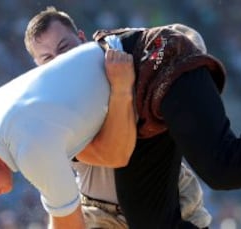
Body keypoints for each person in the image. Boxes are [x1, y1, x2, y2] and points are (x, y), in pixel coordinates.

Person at [0, 10, 241, 229]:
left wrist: (122, 92)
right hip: (138, 110)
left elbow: (71, 220)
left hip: (156, 60)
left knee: (224, 167)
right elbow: (108, 155)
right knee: (148, 221)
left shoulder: (27, 144)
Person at [24, 6, 211, 229]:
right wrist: (122, 89)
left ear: (81, 39)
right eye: (47, 58)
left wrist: (165, 69)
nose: (59, 61)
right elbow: (114, 155)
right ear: (37, 66)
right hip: (102, 215)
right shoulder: (50, 112)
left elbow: (177, 41)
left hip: (170, 196)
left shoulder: (118, 54)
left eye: (64, 48)